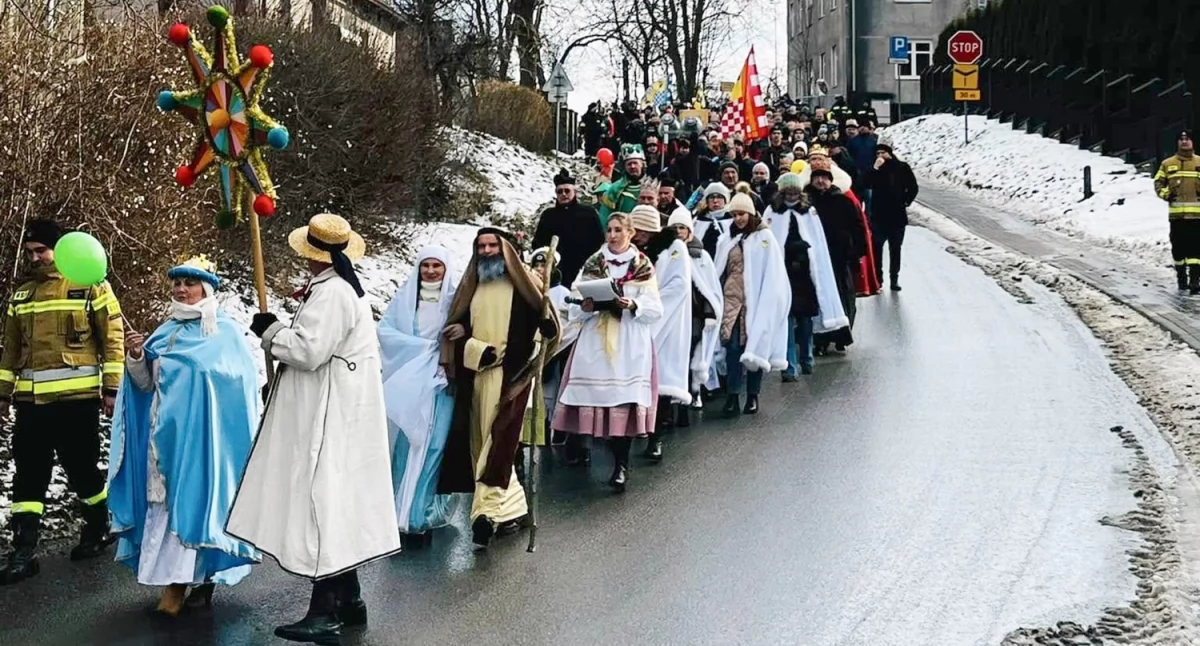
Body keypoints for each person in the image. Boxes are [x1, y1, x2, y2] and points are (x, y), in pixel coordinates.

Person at [228, 213, 400, 644]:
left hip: (328, 411)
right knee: (335, 501)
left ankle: (325, 611)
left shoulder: (334, 294)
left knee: (320, 502)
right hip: (337, 406)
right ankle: (350, 600)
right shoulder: (340, 289)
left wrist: (271, 333)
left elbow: (308, 351)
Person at [108, 256, 259, 615]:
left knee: (199, 506)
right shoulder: (165, 330)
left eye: (189, 283)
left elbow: (234, 382)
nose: (181, 289)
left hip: (204, 443)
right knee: (166, 507)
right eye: (177, 283)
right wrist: (135, 356)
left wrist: (191, 375)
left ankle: (186, 585)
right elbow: (145, 385)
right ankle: (179, 581)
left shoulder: (223, 333)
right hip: (164, 442)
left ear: (205, 288)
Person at [0, 218, 123, 585]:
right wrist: (2, 396)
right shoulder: (21, 296)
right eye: (30, 252)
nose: (36, 258)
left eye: (42, 251)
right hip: (32, 405)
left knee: (82, 469)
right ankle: (23, 551)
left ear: (60, 250)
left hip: (77, 402)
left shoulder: (90, 286)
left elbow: (112, 339)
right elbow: (10, 351)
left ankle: (99, 526)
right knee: (29, 475)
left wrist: (112, 390)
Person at [438, 228, 559, 548]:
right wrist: (472, 344)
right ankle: (514, 510)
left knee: (497, 446)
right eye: (482, 246)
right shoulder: (472, 286)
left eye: (494, 245)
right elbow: (459, 328)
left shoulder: (526, 286)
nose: (488, 251)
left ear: (507, 252)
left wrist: (545, 329)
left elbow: (547, 330)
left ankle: (484, 515)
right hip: (477, 377)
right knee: (482, 447)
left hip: (512, 379)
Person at [553, 213, 662, 492]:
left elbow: (655, 307)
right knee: (594, 396)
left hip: (628, 339)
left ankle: (621, 465)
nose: (612, 235)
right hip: (597, 337)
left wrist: (633, 305)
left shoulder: (642, 265)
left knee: (622, 401)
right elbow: (575, 301)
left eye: (618, 230)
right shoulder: (594, 262)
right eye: (609, 230)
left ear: (630, 232)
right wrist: (585, 306)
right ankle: (580, 447)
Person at [378, 245, 462, 547]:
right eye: (425, 265)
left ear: (446, 268)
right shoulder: (404, 300)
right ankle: (397, 514)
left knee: (434, 445)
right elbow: (386, 332)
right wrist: (422, 349)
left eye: (436, 266)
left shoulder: (455, 300)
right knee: (408, 443)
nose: (430, 271)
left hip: (440, 384)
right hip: (412, 383)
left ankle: (423, 513)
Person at [763, 174, 849, 379]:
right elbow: (768, 240)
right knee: (786, 317)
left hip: (805, 273)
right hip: (783, 273)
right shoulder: (772, 211)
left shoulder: (809, 212)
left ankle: (806, 357)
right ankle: (789, 365)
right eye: (787, 190)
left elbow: (817, 242)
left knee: (805, 317)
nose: (791, 194)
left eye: (795, 190)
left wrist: (805, 251)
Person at [713, 193, 790, 417]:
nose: (738, 219)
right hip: (732, 303)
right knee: (733, 348)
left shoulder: (764, 238)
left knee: (755, 347)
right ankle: (733, 395)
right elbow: (719, 270)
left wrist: (770, 301)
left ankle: (753, 394)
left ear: (750, 213)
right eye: (734, 214)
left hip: (756, 302)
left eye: (742, 214)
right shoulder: (727, 239)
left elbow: (773, 273)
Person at [630, 205, 690, 459]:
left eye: (640, 230)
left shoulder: (675, 248)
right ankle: (635, 431)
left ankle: (657, 438)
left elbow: (678, 285)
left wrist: (649, 304)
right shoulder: (633, 250)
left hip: (667, 320)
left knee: (661, 382)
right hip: (636, 320)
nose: (635, 235)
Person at [665, 208, 722, 416]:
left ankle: (692, 390)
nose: (679, 231)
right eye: (675, 228)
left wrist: (709, 313)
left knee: (691, 353)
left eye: (683, 227)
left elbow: (708, 287)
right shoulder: (665, 254)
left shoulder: (700, 255)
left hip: (694, 315)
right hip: (672, 313)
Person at [804, 169, 866, 354]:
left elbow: (858, 227)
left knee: (844, 296)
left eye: (824, 178)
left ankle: (842, 336)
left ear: (831, 181)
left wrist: (856, 251)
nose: (821, 181)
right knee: (820, 298)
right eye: (817, 178)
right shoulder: (806, 203)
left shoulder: (843, 201)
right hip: (816, 259)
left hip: (841, 257)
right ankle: (821, 339)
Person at [805, 146, 880, 297]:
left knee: (843, 290)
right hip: (813, 254)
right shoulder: (804, 197)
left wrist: (856, 250)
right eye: (813, 159)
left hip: (841, 252)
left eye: (820, 158)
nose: (816, 162)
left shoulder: (844, 196)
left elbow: (857, 225)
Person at [532, 169, 604, 289]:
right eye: (560, 191)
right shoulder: (548, 215)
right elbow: (538, 243)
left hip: (582, 268)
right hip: (554, 270)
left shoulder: (589, 213)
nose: (564, 194)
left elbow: (599, 240)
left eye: (567, 191)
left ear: (574, 192)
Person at [863, 142, 919, 291]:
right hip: (879, 214)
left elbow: (913, 186)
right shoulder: (875, 169)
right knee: (877, 248)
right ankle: (878, 279)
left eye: (883, 153)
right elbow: (866, 183)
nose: (880, 156)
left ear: (890, 153)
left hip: (897, 215)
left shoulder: (901, 167)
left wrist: (906, 200)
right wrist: (875, 168)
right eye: (877, 154)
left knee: (895, 248)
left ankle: (894, 278)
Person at [1154, 129, 1200, 292]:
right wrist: (1166, 194)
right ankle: (1181, 279)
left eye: (1187, 138)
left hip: (1196, 217)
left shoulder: (1199, 163)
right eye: (1181, 139)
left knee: (1196, 250)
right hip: (1177, 217)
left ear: (1193, 142)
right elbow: (1158, 183)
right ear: (1177, 143)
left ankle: (1195, 281)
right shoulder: (1167, 164)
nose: (1184, 141)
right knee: (1179, 249)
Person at [597, 144, 647, 229]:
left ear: (642, 164)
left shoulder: (652, 187)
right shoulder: (614, 189)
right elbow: (605, 217)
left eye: (635, 163)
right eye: (629, 164)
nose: (632, 166)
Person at [692, 182, 733, 258]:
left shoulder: (732, 220)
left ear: (725, 200)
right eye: (711, 197)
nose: (715, 201)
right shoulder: (698, 220)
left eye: (719, 197)